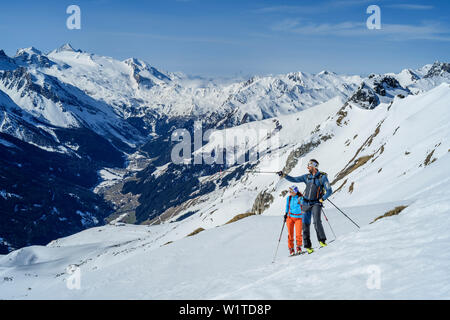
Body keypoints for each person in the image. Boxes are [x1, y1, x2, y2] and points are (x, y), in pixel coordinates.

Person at [278, 159, 332, 254]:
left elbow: (329, 190)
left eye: (309, 166)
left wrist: (322, 199)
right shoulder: (306, 177)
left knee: (316, 221)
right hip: (306, 203)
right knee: (305, 225)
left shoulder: (322, 177)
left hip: (316, 203)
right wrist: (284, 175)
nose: (308, 167)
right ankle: (308, 246)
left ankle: (322, 241)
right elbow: (294, 179)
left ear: (314, 167)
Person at [284, 186, 304, 256]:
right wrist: (286, 214)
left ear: (295, 192)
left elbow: (303, 203)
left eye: (291, 191)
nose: (290, 193)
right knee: (290, 234)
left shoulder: (300, 198)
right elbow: (287, 206)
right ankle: (291, 249)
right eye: (290, 191)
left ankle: (298, 247)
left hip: (298, 217)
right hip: (290, 218)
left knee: (298, 234)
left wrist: (301, 198)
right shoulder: (289, 198)